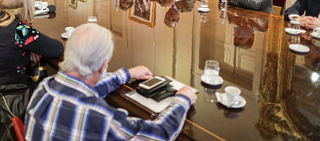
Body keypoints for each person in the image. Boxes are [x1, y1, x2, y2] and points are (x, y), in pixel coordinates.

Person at [25, 23, 197, 140]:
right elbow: (156, 134)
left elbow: (82, 89)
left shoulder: (43, 87)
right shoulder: (100, 116)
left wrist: (126, 75)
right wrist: (183, 99)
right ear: (102, 67)